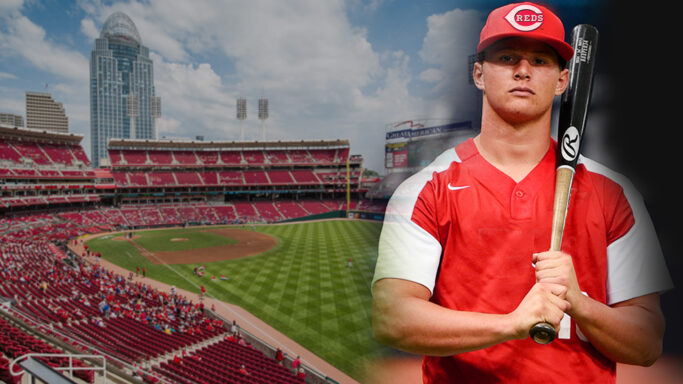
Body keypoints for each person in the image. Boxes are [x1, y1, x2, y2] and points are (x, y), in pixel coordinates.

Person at [371, 2, 673, 383]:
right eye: (508, 57)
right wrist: (512, 324)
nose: (523, 71)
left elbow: (647, 344)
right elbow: (392, 319)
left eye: (541, 61)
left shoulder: (613, 193)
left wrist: (579, 304)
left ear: (563, 80)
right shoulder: (427, 188)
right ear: (478, 74)